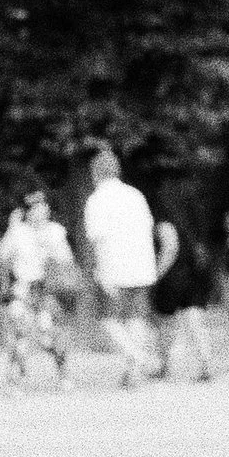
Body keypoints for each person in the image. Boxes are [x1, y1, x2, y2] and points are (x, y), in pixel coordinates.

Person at [82, 149, 158, 389]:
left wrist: (95, 269)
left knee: (110, 320)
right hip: (142, 263)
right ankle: (131, 371)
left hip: (114, 266)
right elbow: (148, 226)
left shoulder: (96, 200)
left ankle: (138, 357)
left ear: (96, 173)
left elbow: (95, 239)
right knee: (136, 318)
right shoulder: (135, 195)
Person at [0, 189, 75, 390]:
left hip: (47, 288)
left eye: (43, 207)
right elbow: (2, 257)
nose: (41, 211)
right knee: (20, 333)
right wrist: (11, 227)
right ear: (27, 212)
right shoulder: (17, 231)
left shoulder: (56, 231)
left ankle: (63, 374)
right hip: (23, 287)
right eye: (35, 208)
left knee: (49, 333)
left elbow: (66, 261)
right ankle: (16, 377)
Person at [149, 189, 221, 383]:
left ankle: (164, 365)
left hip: (172, 278)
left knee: (165, 323)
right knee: (195, 320)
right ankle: (206, 364)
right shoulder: (194, 224)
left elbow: (169, 248)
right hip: (194, 277)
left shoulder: (165, 220)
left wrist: (155, 275)